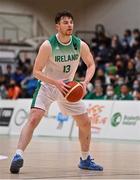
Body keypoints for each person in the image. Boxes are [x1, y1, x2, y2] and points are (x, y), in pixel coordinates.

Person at [10, 11, 103, 173]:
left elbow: (91, 65)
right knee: (33, 118)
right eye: (65, 22)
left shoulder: (79, 44)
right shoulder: (48, 45)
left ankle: (85, 159)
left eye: (71, 22)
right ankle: (18, 155)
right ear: (57, 26)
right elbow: (36, 72)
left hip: (68, 88)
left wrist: (85, 83)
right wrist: (55, 82)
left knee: (86, 123)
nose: (69, 25)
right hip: (47, 85)